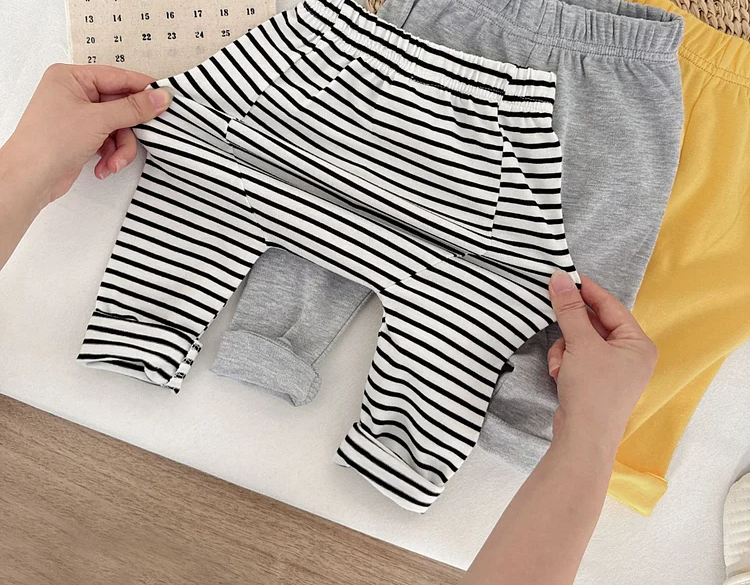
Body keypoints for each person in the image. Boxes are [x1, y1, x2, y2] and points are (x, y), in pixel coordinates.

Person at [0, 64, 657, 585]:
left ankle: (395, 448)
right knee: (489, 276)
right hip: (347, 60)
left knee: (480, 280)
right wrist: (587, 437)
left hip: (359, 69)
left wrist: (25, 168)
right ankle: (153, 339)